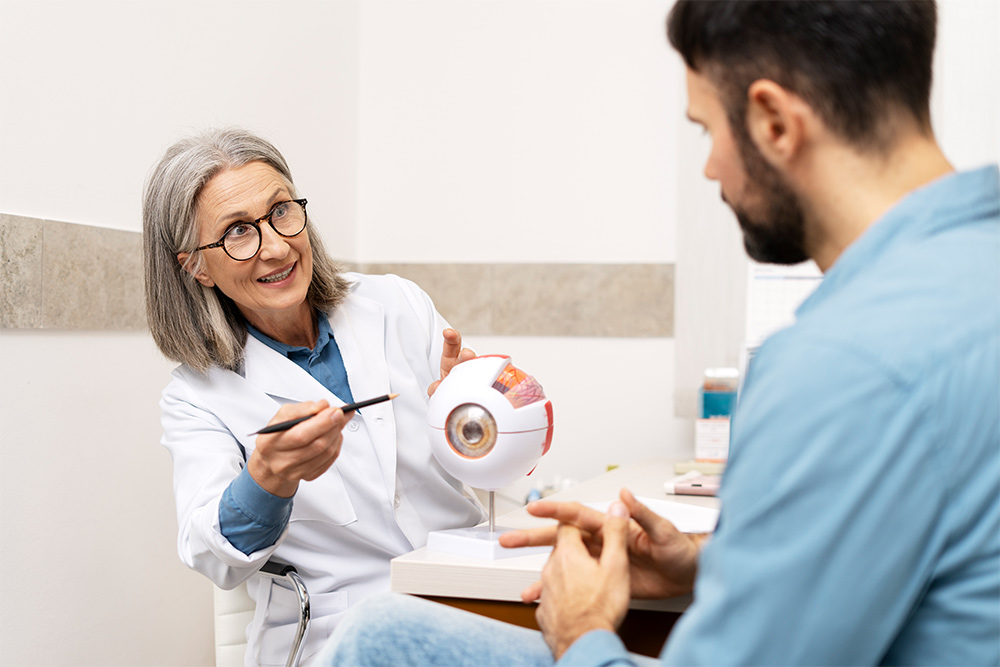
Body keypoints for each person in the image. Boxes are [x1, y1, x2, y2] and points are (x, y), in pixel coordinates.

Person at [318, 1, 1000, 665]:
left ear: (773, 122)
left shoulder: (842, 364)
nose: (711, 170)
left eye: (707, 130)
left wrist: (583, 631)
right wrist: (709, 564)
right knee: (382, 631)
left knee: (377, 641)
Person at [142, 128, 486, 666]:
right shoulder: (196, 396)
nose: (276, 246)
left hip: (470, 595)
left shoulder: (395, 304)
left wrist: (474, 414)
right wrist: (267, 482)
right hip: (341, 634)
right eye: (237, 232)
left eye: (281, 211)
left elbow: (489, 466)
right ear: (196, 267)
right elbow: (214, 555)